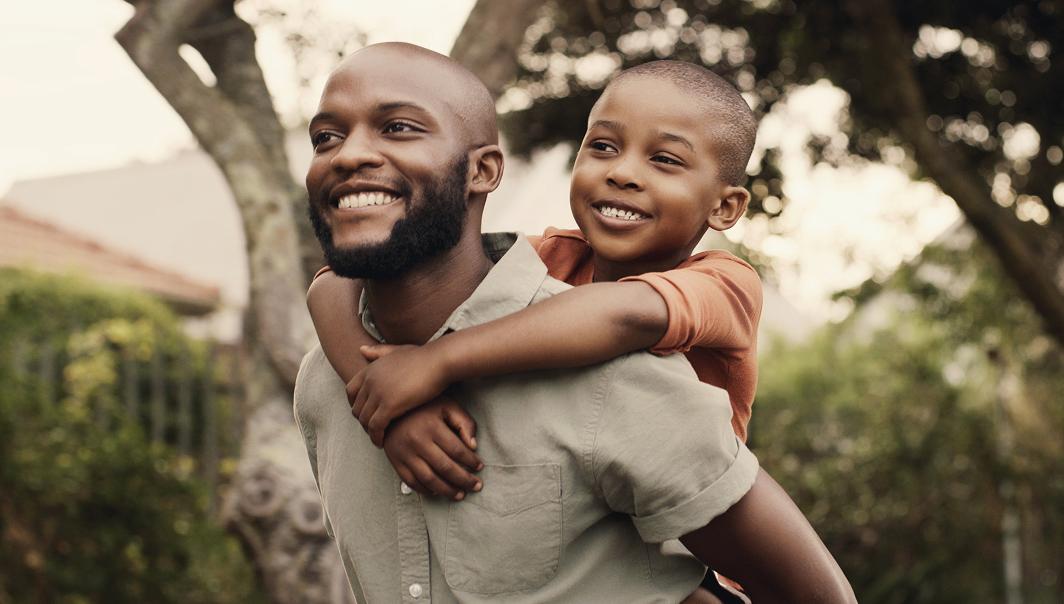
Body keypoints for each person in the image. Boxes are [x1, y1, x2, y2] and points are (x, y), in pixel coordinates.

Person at [295, 41, 855, 603]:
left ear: (725, 207)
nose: (624, 174)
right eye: (604, 147)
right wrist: (379, 403)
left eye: (665, 160)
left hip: (695, 546)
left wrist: (435, 363)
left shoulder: (718, 288)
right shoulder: (550, 258)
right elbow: (330, 283)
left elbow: (621, 317)